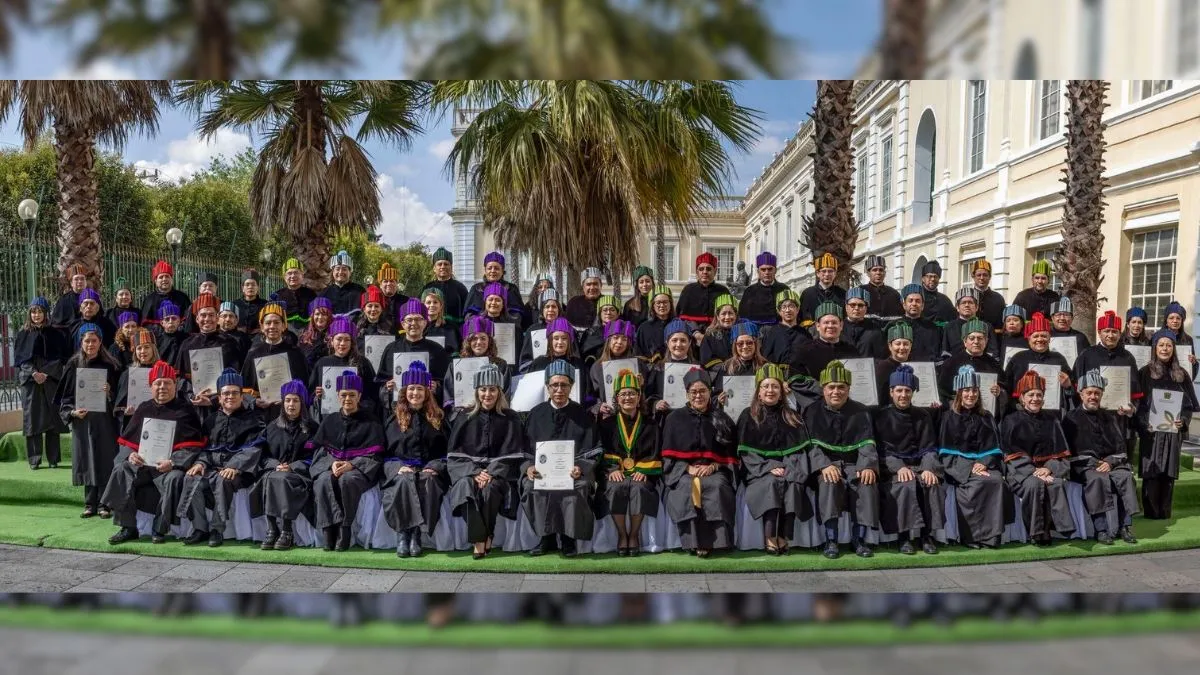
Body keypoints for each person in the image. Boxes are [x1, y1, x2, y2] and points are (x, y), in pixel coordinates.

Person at [104, 360, 206, 545]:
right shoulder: (143, 408)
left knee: (175, 478)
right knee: (122, 469)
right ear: (151, 386)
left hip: (168, 467)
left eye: (167, 383)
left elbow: (193, 447)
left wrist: (173, 462)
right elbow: (127, 442)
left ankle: (159, 528)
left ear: (175, 385)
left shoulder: (185, 410)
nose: (162, 387)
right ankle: (128, 527)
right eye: (157, 383)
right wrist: (131, 455)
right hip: (143, 466)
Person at [446, 363, 528, 559]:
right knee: (464, 487)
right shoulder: (463, 416)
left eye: (492, 389)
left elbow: (515, 454)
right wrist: (475, 472)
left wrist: (490, 472)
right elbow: (454, 455)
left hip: (499, 473)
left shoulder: (511, 418)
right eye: (483, 389)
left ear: (499, 392)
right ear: (477, 391)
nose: (487, 394)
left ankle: (480, 540)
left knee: (490, 489)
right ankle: (482, 538)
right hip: (468, 472)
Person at [522, 360, 603, 557]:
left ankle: (569, 538)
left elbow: (595, 450)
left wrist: (580, 468)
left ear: (572, 386)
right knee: (531, 486)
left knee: (579, 485)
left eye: (564, 385)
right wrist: (529, 467)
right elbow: (524, 449)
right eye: (554, 385)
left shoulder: (583, 415)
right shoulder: (535, 414)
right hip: (541, 472)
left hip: (572, 471)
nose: (559, 389)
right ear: (547, 387)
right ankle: (546, 537)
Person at [178, 368, 266, 548]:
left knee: (223, 479)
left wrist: (235, 466)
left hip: (240, 471)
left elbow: (255, 449)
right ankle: (200, 528)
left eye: (235, 393)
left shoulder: (254, 419)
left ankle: (217, 529)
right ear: (219, 398)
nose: (230, 397)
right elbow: (205, 448)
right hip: (213, 468)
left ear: (242, 396)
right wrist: (200, 463)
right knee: (191, 477)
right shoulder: (210, 420)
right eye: (225, 393)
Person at [804, 360, 880, 559]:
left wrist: (867, 466)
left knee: (866, 482)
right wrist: (824, 466)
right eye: (831, 387)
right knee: (829, 482)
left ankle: (859, 539)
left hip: (854, 463)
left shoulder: (861, 411)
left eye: (841, 387)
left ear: (848, 389)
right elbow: (811, 446)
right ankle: (831, 540)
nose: (836, 392)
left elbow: (868, 443)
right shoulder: (812, 411)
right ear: (823, 389)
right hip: (828, 465)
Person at [661, 367, 737, 557]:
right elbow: (668, 457)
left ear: (710, 392)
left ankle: (717, 542)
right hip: (684, 471)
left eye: (702, 391)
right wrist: (687, 467)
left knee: (717, 486)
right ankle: (694, 542)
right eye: (693, 392)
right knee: (687, 487)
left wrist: (714, 465)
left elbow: (730, 455)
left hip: (715, 470)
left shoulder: (721, 417)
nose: (698, 396)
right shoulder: (674, 418)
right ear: (687, 394)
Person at [736, 363, 810, 555]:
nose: (770, 390)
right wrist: (769, 466)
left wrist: (789, 468)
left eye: (775, 386)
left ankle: (784, 536)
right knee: (771, 483)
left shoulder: (792, 416)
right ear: (758, 392)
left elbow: (799, 451)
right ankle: (770, 537)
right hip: (759, 471)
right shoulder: (748, 415)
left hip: (789, 467)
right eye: (766, 386)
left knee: (792, 483)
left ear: (781, 391)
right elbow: (746, 453)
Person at [310, 370, 385, 551]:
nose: (347, 399)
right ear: (337, 396)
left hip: (358, 470)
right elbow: (320, 450)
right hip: (333, 466)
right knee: (322, 480)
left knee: (347, 480)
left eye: (352, 395)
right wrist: (332, 463)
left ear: (359, 396)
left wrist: (352, 465)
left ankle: (344, 529)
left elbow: (376, 455)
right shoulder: (329, 421)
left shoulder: (371, 422)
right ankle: (329, 529)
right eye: (343, 395)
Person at [872, 365, 944, 555]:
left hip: (920, 465)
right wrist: (899, 468)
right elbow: (880, 450)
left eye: (907, 391)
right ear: (891, 392)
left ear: (913, 392)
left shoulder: (923, 415)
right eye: (899, 391)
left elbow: (930, 447)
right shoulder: (881, 416)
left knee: (931, 483)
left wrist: (928, 468)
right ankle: (903, 537)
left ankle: (926, 536)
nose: (903, 395)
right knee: (904, 485)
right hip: (893, 468)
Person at [1062, 369, 1140, 545]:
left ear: (1102, 395)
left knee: (1125, 477)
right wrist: (1095, 463)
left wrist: (1110, 463)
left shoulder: (1109, 417)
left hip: (1110, 464)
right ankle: (1101, 529)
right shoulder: (1070, 419)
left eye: (1097, 393)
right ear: (1080, 394)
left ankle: (1124, 527)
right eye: (1089, 392)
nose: (1093, 397)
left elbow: (1120, 447)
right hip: (1084, 466)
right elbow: (1068, 451)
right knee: (1096, 479)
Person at [381, 362, 448, 558]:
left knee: (426, 481)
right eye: (411, 388)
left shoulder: (439, 417)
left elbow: (448, 452)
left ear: (427, 392)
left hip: (429, 470)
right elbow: (384, 454)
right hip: (402, 469)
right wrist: (398, 468)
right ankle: (404, 535)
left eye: (420, 389)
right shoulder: (394, 418)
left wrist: (434, 467)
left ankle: (417, 534)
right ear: (405, 391)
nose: (415, 393)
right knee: (404, 481)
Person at [1001, 370, 1075, 546]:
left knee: (1055, 483)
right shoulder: (1011, 420)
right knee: (1035, 485)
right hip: (1020, 472)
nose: (1035, 398)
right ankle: (1036, 532)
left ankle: (1054, 529)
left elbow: (1062, 452)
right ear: (1022, 398)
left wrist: (1048, 468)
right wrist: (1035, 472)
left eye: (1039, 395)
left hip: (1048, 470)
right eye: (1031, 395)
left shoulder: (1052, 420)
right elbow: (1011, 454)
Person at [938, 365, 1008, 549]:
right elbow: (946, 452)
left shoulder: (987, 416)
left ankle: (992, 537)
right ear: (959, 393)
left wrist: (983, 464)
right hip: (959, 466)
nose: (971, 394)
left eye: (974, 390)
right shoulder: (948, 417)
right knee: (976, 484)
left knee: (996, 481)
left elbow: (994, 448)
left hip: (984, 465)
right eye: (967, 390)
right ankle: (972, 537)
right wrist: (970, 468)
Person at [55, 322, 121, 518]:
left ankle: (104, 504)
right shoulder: (73, 365)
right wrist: (73, 412)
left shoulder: (111, 365)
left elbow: (121, 396)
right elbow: (64, 398)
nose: (90, 344)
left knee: (105, 459)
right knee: (87, 460)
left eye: (94, 341)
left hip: (104, 420)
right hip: (82, 420)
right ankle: (89, 503)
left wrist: (110, 392)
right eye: (87, 341)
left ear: (100, 342)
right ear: (81, 342)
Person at [597, 369, 661, 556]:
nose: (628, 398)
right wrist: (611, 469)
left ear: (639, 396)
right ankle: (621, 534)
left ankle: (633, 535)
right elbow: (602, 451)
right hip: (616, 471)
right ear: (616, 398)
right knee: (616, 487)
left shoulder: (651, 424)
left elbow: (655, 453)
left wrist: (644, 470)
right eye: (623, 394)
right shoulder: (606, 424)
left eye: (632, 393)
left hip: (641, 472)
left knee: (639, 488)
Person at [1135, 328, 1198, 520]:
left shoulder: (1182, 375)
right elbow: (1138, 404)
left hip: (1172, 431)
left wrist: (1184, 422)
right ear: (1155, 348)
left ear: (1174, 349)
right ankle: (1151, 512)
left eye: (1168, 345)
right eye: (1161, 345)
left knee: (1168, 473)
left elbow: (1188, 406)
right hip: (1152, 431)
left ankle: (1165, 512)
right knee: (1151, 473)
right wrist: (1145, 423)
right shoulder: (1144, 373)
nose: (1165, 348)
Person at [251, 379, 316, 552]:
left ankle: (287, 531)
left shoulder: (313, 428)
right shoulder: (272, 427)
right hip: (274, 471)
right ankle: (272, 529)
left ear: (302, 402)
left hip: (300, 475)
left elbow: (316, 457)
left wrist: (293, 466)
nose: (291, 404)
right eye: (287, 400)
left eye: (295, 400)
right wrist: (274, 465)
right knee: (271, 477)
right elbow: (261, 454)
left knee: (282, 478)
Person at [15, 297, 69, 470]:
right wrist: (33, 373)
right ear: (29, 314)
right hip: (31, 381)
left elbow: (60, 358)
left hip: (50, 379)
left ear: (46, 314)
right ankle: (34, 459)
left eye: (40, 311)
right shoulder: (23, 334)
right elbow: (21, 360)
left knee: (52, 419)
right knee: (33, 419)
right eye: (33, 311)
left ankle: (53, 459)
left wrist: (46, 373)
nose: (36, 315)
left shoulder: (55, 334)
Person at [241, 303, 310, 420]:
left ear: (284, 326)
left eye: (277, 322)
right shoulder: (253, 353)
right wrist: (254, 401)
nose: (272, 326)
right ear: (262, 327)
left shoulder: (295, 353)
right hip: (261, 415)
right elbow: (244, 388)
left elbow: (305, 383)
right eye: (268, 323)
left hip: (290, 413)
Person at [378, 299, 450, 409]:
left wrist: (437, 388)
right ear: (402, 323)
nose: (413, 324)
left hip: (429, 410)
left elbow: (447, 384)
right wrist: (386, 388)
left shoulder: (437, 350)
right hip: (398, 409)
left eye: (418, 319)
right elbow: (379, 384)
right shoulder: (391, 349)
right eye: (409, 320)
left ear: (425, 322)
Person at [310, 316, 380, 422]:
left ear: (352, 343)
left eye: (347, 339)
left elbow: (373, 393)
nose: (342, 343)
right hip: (329, 419)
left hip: (358, 419)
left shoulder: (362, 363)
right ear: (332, 341)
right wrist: (317, 395)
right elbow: (310, 394)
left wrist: (362, 408)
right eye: (339, 339)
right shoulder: (322, 363)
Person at [176, 293, 241, 401]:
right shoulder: (187, 344)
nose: (207, 319)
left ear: (217, 318)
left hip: (221, 402)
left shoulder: (229, 343)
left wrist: (216, 399)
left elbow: (234, 375)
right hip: (193, 402)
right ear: (197, 319)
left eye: (211, 315)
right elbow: (181, 378)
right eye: (203, 315)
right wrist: (192, 396)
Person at [1004, 312, 1074, 412]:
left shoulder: (1059, 359)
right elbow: (1007, 388)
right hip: (1021, 414)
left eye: (1044, 336)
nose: (1040, 339)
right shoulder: (1018, 359)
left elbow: (1071, 391)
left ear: (1050, 338)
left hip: (1052, 415)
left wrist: (1068, 386)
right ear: (1029, 339)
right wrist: (1015, 404)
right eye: (1036, 336)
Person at [1073, 310, 1142, 410]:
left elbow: (1135, 391)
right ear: (1099, 332)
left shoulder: (1127, 357)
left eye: (1114, 331)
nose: (1110, 335)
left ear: (1119, 334)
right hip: (1092, 415)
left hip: (1119, 415)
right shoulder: (1086, 355)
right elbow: (1076, 387)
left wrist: (1132, 408)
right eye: (1106, 331)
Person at [446, 316, 513, 411]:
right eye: (474, 338)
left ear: (489, 341)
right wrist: (458, 410)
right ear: (468, 342)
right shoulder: (456, 366)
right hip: (464, 415)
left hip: (492, 415)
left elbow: (505, 394)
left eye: (483, 338)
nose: (479, 342)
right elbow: (449, 395)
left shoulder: (501, 365)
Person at [937, 318, 1006, 408]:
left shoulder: (994, 364)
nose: (976, 342)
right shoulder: (951, 363)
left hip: (985, 416)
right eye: (972, 338)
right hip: (957, 414)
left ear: (986, 341)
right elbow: (942, 392)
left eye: (980, 338)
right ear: (965, 341)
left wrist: (999, 391)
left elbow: (1004, 387)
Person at [787, 302, 859, 382]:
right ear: (818, 326)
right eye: (826, 322)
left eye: (834, 322)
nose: (830, 326)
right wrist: (823, 390)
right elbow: (795, 381)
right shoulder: (804, 351)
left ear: (841, 325)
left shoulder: (851, 351)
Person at [644, 319, 700, 416]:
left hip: (692, 418)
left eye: (683, 340)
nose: (678, 344)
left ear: (690, 342)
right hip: (665, 418)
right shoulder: (658, 368)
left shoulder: (698, 368)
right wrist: (655, 404)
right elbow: (648, 396)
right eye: (674, 340)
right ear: (667, 342)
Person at [675, 252, 731, 339]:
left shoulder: (723, 291)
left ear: (715, 271)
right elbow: (681, 318)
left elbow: (730, 317)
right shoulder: (688, 290)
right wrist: (696, 332)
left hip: (717, 335)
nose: (705, 272)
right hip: (692, 337)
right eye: (701, 269)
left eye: (708, 269)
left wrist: (714, 327)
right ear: (697, 272)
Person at [464, 251, 526, 329]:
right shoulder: (476, 289)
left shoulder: (511, 289)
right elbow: (469, 315)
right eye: (489, 268)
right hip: (481, 330)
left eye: (496, 268)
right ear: (485, 270)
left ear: (502, 270)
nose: (492, 271)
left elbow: (517, 315)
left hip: (505, 331)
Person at [114, 328, 160, 432]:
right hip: (134, 424)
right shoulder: (128, 375)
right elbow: (118, 406)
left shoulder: (162, 371)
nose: (143, 351)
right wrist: (125, 411)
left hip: (157, 421)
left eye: (147, 347)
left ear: (154, 349)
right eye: (139, 348)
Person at [588, 319, 640, 413]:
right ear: (608, 340)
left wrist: (641, 385)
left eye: (624, 339)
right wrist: (598, 406)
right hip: (607, 417)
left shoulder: (638, 366)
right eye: (616, 337)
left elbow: (647, 397)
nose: (619, 342)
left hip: (632, 416)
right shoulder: (597, 367)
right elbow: (590, 397)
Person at [420, 247, 470, 333]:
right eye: (439, 264)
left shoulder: (460, 288)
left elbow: (467, 312)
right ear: (434, 268)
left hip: (455, 333)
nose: (443, 267)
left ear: (451, 267)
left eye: (446, 264)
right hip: (430, 332)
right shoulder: (427, 288)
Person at [941, 287, 999, 360]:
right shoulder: (949, 327)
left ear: (977, 307)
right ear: (957, 307)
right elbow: (945, 352)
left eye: (970, 302)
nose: (967, 305)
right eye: (963, 302)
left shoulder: (987, 326)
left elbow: (993, 352)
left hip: (981, 367)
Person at [740, 252, 790, 326]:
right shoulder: (749, 291)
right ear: (758, 272)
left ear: (775, 270)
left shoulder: (784, 289)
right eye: (763, 269)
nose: (767, 272)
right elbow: (743, 317)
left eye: (770, 269)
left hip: (779, 331)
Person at [518, 288, 561, 372]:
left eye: (554, 307)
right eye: (547, 307)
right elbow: (524, 361)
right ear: (542, 310)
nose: (550, 310)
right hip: (537, 376)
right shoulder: (532, 330)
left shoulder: (567, 329)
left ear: (559, 309)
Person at [897, 284, 943, 362]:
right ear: (904, 304)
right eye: (910, 300)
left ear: (922, 305)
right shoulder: (895, 326)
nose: (914, 304)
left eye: (918, 301)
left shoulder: (933, 329)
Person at [761, 289, 807, 366]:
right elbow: (766, 358)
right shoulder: (772, 332)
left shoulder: (805, 334)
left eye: (791, 306)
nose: (787, 310)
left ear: (798, 309)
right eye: (784, 307)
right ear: (779, 311)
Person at [139, 260, 191, 328]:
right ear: (155, 281)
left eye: (167, 276)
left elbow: (188, 320)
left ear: (171, 279)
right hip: (157, 337)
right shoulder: (149, 299)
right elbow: (145, 324)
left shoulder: (182, 297)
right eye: (161, 277)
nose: (164, 279)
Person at [799, 252, 846, 325]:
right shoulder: (808, 294)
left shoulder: (842, 293)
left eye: (830, 271)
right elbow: (801, 316)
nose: (827, 274)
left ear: (835, 273)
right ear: (817, 273)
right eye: (824, 271)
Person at [842, 287, 887, 359]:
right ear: (846, 307)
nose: (856, 308)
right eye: (852, 305)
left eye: (860, 305)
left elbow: (880, 356)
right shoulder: (838, 328)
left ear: (866, 308)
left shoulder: (875, 330)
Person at [634, 285, 675, 363]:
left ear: (670, 304)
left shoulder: (678, 326)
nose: (662, 305)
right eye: (658, 302)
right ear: (652, 305)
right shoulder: (643, 328)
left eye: (665, 302)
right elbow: (638, 353)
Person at [275, 258, 317, 332]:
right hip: (284, 333)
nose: (293, 276)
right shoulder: (277, 296)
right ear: (284, 277)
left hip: (307, 332)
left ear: (302, 276)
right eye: (289, 273)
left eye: (296, 272)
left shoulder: (311, 294)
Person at [321, 250, 367, 316]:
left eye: (344, 269)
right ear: (333, 272)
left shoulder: (360, 291)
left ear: (350, 272)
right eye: (337, 269)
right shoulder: (324, 294)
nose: (340, 272)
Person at [699, 294, 739, 368]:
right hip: (718, 373)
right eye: (723, 314)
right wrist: (726, 367)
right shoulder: (710, 335)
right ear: (717, 316)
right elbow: (705, 359)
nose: (727, 317)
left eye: (730, 313)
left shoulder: (742, 333)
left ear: (736, 315)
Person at [580, 295, 623, 363]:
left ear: (618, 314)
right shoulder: (590, 333)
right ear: (600, 314)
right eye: (605, 310)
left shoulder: (624, 332)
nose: (608, 313)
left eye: (612, 310)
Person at [860, 255, 903, 322]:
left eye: (881, 270)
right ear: (868, 273)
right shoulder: (860, 292)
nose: (878, 273)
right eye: (874, 270)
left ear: (885, 273)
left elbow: (900, 316)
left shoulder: (894, 294)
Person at [968, 259, 1006, 331]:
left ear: (990, 277)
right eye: (979, 275)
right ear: (973, 276)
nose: (982, 278)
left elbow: (1003, 323)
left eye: (985, 275)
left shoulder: (998, 298)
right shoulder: (966, 297)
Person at [1161, 301, 1197, 376]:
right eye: (1171, 318)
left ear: (1182, 321)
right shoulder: (1157, 338)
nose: (1175, 321)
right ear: (1166, 321)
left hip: (1181, 380)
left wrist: (1193, 362)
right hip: (1161, 378)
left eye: (1178, 318)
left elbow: (1192, 368)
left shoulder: (1188, 339)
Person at [422, 287, 461, 354]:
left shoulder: (450, 327)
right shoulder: (418, 327)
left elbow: (455, 350)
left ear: (441, 306)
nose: (432, 305)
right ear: (423, 305)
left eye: (435, 302)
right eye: (428, 302)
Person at [51, 263, 89, 329]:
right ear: (71, 283)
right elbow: (56, 324)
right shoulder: (63, 300)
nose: (80, 281)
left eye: (82, 279)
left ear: (86, 282)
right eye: (76, 279)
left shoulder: (93, 298)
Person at [298, 297, 333, 366]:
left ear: (329, 316)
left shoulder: (334, 335)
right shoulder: (303, 336)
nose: (320, 317)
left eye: (324, 314)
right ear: (312, 316)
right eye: (317, 314)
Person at [233, 269, 267, 335]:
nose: (250, 287)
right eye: (247, 284)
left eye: (253, 285)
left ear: (258, 288)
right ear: (242, 288)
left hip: (258, 340)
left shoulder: (265, 305)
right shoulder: (235, 304)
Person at [153, 301, 187, 367]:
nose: (171, 321)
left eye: (174, 318)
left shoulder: (187, 339)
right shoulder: (157, 341)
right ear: (162, 323)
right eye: (167, 319)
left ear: (179, 321)